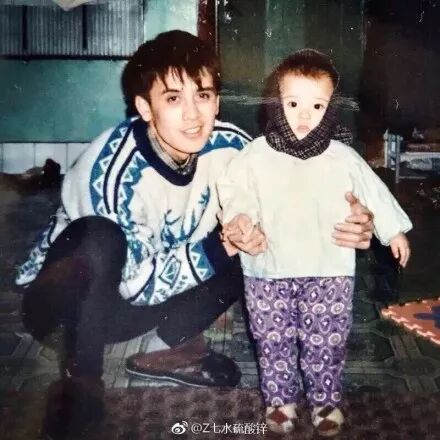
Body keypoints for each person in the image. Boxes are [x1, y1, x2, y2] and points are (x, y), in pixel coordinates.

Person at [16, 32, 373, 438]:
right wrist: (223, 244)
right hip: (64, 309)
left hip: (147, 308)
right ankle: (81, 385)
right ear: (144, 107)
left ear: (217, 101)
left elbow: (296, 194)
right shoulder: (111, 171)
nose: (192, 115)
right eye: (173, 98)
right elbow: (138, 287)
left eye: (202, 95)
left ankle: (171, 347)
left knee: (257, 231)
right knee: (99, 238)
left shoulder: (235, 149)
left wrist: (354, 220)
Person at [217, 49, 412, 437]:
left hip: (329, 270)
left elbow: (373, 191)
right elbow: (235, 191)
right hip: (268, 270)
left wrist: (393, 230)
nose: (304, 116)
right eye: (293, 104)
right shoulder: (254, 155)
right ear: (276, 103)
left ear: (330, 108)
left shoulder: (343, 157)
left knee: (327, 341)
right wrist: (239, 217)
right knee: (272, 340)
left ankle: (325, 401)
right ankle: (280, 401)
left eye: (317, 106)